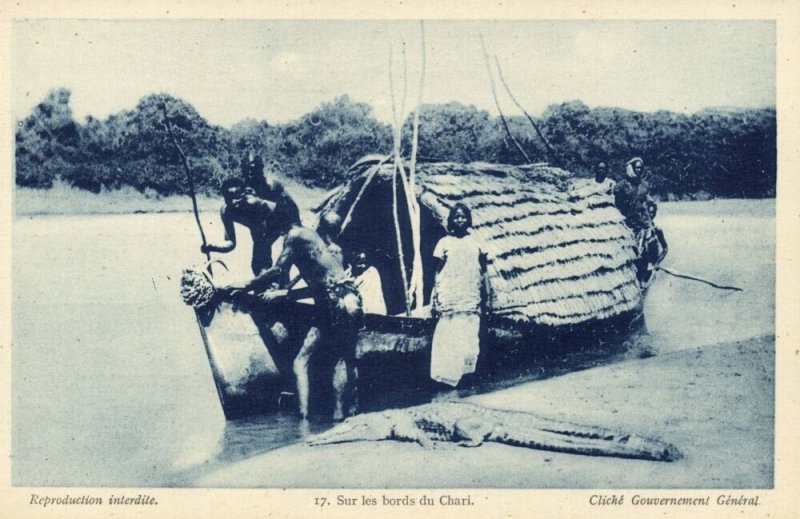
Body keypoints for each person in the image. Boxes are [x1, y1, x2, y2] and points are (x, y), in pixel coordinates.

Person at [219, 217, 363, 421]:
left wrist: (247, 285)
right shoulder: (328, 248)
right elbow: (322, 285)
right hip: (348, 299)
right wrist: (286, 293)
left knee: (304, 362)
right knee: (345, 358)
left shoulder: (295, 236)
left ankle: (308, 418)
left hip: (334, 304)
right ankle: (347, 412)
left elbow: (278, 270)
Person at [430, 203, 488, 387]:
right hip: (451, 296)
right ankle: (446, 378)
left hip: (470, 295)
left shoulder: (476, 241)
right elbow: (437, 272)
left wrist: (487, 293)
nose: (460, 220)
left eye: (463, 216)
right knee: (449, 337)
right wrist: (436, 295)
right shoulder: (444, 243)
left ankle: (466, 375)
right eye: (456, 217)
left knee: (469, 338)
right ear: (452, 220)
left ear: (468, 219)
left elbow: (484, 270)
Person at [201, 178, 279, 275]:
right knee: (257, 266)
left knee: (261, 264)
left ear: (244, 194)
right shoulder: (226, 212)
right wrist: (212, 247)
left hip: (278, 223)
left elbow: (281, 211)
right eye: (229, 199)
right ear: (224, 198)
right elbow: (230, 243)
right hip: (259, 231)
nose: (233, 202)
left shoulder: (254, 203)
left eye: (237, 197)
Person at [613, 157, 652, 234]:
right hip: (628, 221)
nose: (639, 170)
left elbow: (648, 201)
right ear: (632, 168)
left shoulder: (644, 184)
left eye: (640, 168)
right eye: (637, 167)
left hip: (644, 220)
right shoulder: (622, 185)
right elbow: (617, 201)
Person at [637, 200, 669, 285]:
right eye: (649, 212)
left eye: (653, 212)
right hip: (638, 268)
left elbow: (665, 248)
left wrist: (657, 262)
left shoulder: (657, 230)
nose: (651, 215)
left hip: (649, 269)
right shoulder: (637, 230)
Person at [351, 250, 387, 316]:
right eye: (359, 263)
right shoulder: (361, 274)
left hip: (374, 310)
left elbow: (354, 284)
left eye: (364, 262)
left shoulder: (371, 271)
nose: (363, 265)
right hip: (370, 310)